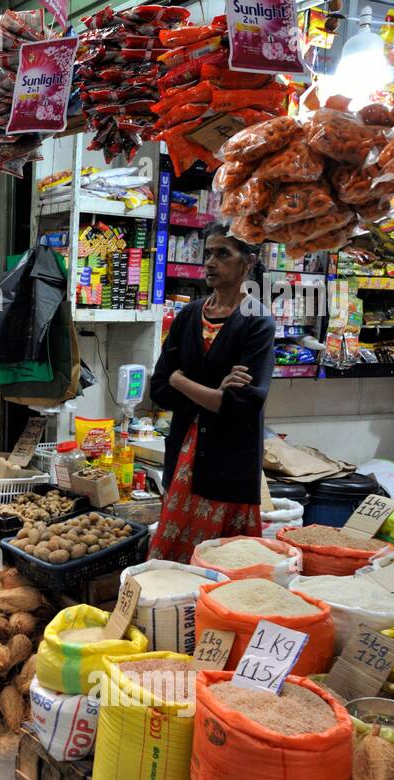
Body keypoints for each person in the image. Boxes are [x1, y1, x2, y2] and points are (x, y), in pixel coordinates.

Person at [147, 223, 275, 563]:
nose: (210, 262)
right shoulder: (189, 315)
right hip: (182, 455)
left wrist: (182, 380)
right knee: (173, 562)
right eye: (208, 254)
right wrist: (212, 391)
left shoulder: (257, 321)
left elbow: (242, 403)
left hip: (227, 460)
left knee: (221, 564)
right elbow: (159, 389)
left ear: (247, 263)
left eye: (222, 254)